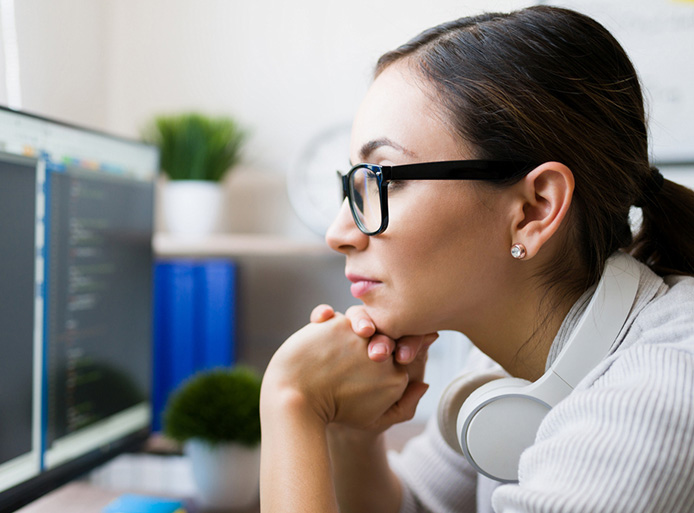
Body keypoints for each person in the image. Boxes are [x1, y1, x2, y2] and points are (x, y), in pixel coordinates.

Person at [259, 6, 694, 513]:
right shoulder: (512, 343)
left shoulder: (652, 400)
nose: (339, 234)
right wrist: (352, 434)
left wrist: (291, 402)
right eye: (354, 184)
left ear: (536, 209)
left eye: (386, 179)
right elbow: (420, 504)